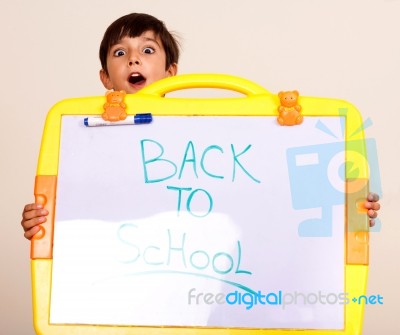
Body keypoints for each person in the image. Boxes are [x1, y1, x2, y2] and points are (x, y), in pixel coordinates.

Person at [20, 13, 381, 240]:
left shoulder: (206, 136)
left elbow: (270, 195)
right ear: (104, 77)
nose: (133, 58)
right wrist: (44, 221)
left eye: (147, 50)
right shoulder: (87, 137)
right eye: (120, 53)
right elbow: (82, 210)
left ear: (171, 73)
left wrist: (345, 207)